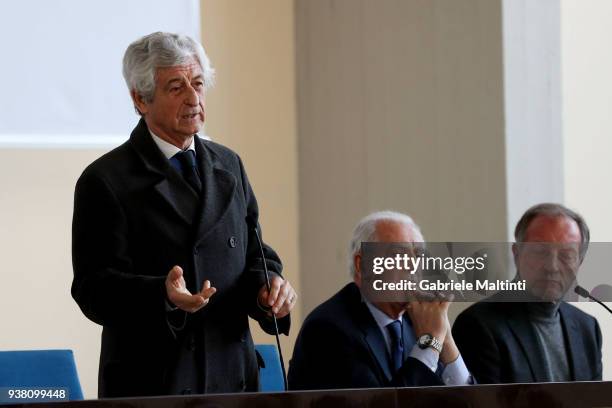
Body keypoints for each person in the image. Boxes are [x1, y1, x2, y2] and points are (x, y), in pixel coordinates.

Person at [71, 32, 297, 397]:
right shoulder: (106, 179)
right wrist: (162, 294)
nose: (193, 98)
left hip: (232, 377)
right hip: (154, 382)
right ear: (140, 99)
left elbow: (255, 252)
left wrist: (267, 288)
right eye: (176, 87)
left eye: (198, 84)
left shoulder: (228, 164)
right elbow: (92, 289)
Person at [288, 211, 472, 390]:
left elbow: (472, 403)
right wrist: (430, 343)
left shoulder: (417, 319)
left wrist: (445, 339)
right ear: (362, 265)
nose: (413, 266)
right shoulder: (327, 330)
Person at [453, 203, 602, 384]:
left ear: (580, 262)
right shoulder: (478, 325)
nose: (552, 267)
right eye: (540, 251)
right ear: (517, 254)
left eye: (566, 255)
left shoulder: (587, 328)